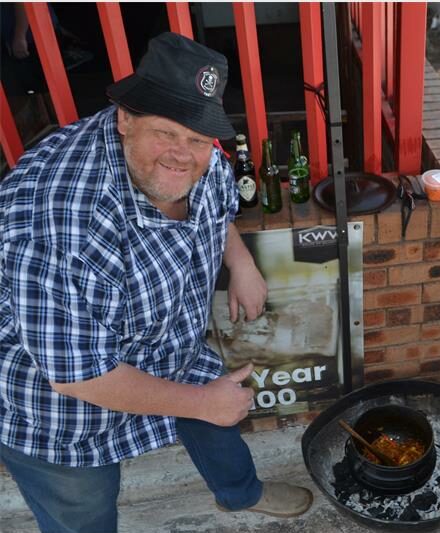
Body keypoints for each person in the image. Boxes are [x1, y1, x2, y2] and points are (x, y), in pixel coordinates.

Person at [0, 32, 312, 533]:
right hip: (64, 409)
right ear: (125, 117)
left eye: (196, 138)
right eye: (167, 133)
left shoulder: (199, 160)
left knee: (217, 420)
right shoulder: (59, 220)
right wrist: (201, 402)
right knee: (84, 517)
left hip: (173, 347)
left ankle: (239, 494)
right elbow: (76, 374)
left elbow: (216, 207)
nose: (181, 154)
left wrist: (242, 263)